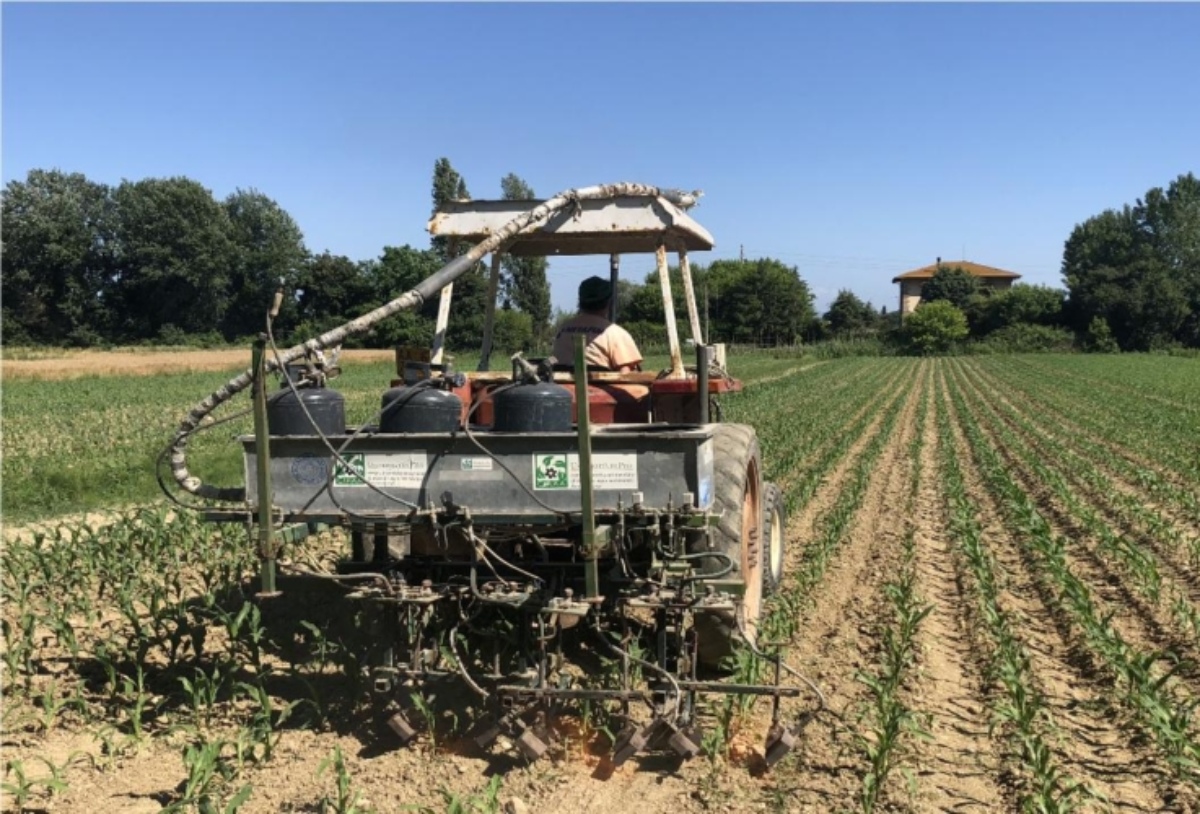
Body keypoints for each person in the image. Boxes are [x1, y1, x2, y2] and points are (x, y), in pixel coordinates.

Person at [552, 276, 643, 372]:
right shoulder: (615, 333)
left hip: (560, 386)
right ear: (609, 302)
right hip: (597, 386)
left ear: (580, 301)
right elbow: (626, 373)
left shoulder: (562, 329)